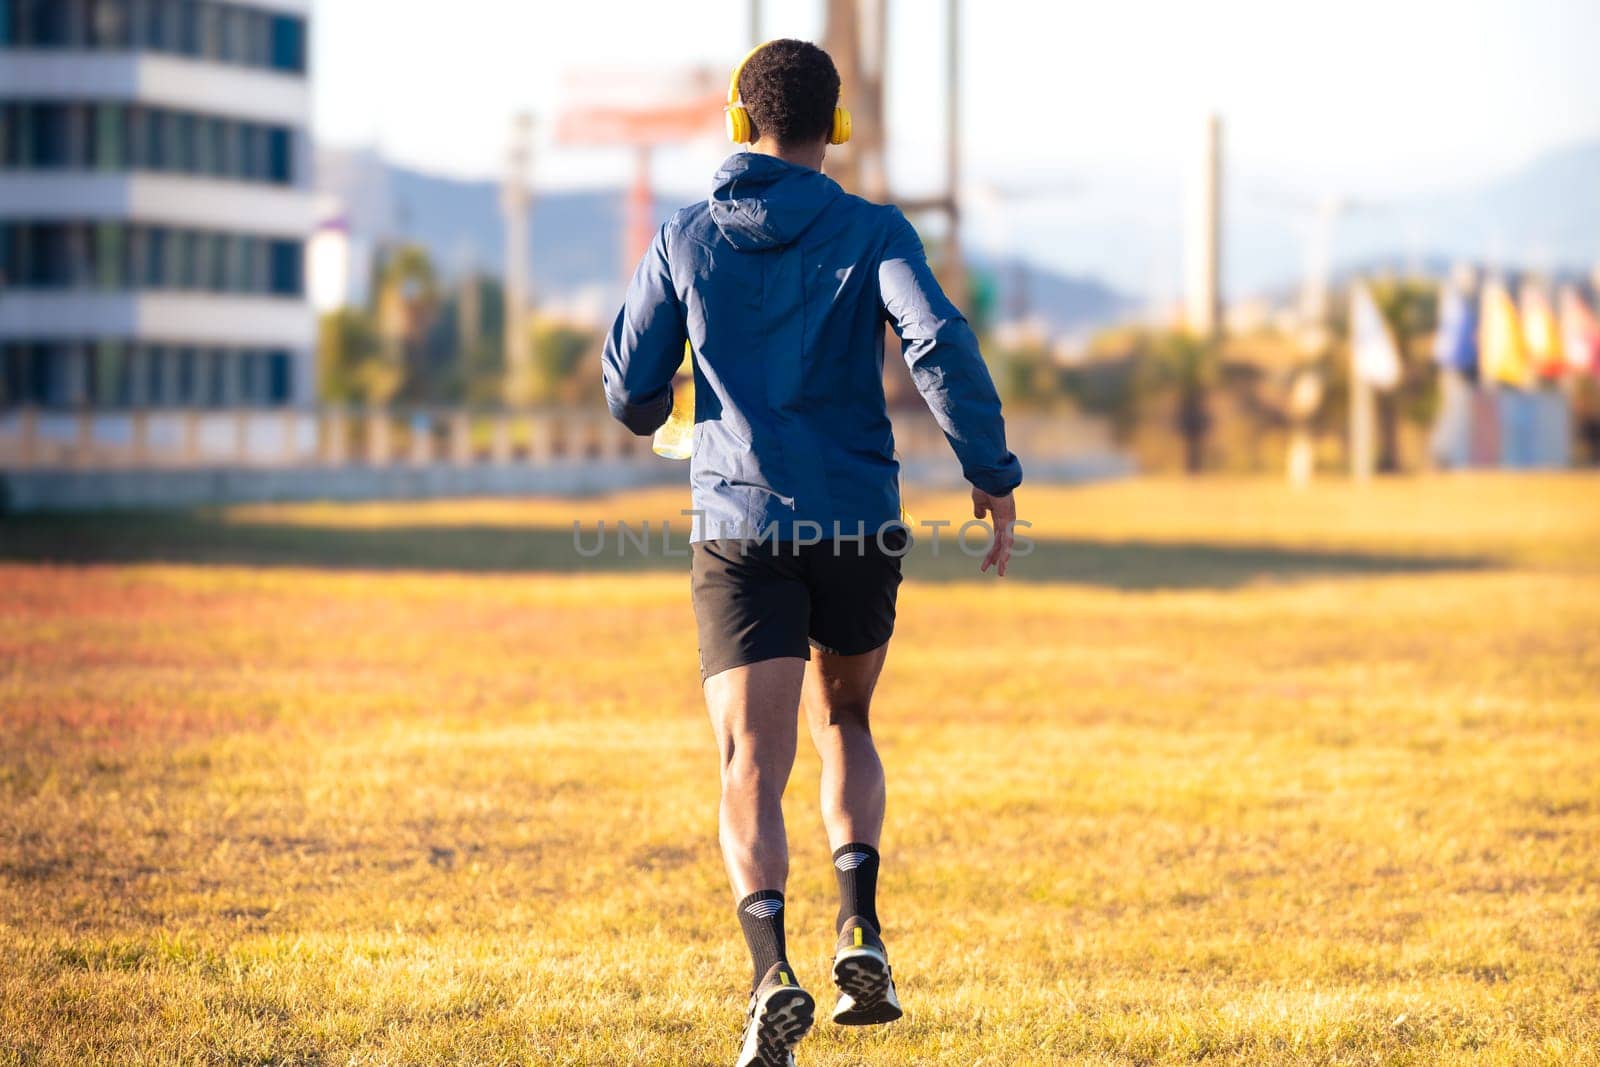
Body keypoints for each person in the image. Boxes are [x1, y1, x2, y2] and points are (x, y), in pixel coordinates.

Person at [602, 38, 1022, 1067]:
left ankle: (769, 974)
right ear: (837, 128)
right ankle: (861, 930)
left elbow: (629, 389)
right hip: (857, 523)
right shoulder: (874, 229)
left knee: (750, 755)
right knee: (847, 716)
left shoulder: (685, 238)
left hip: (740, 528)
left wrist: (664, 402)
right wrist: (989, 469)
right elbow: (935, 341)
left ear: (740, 124)